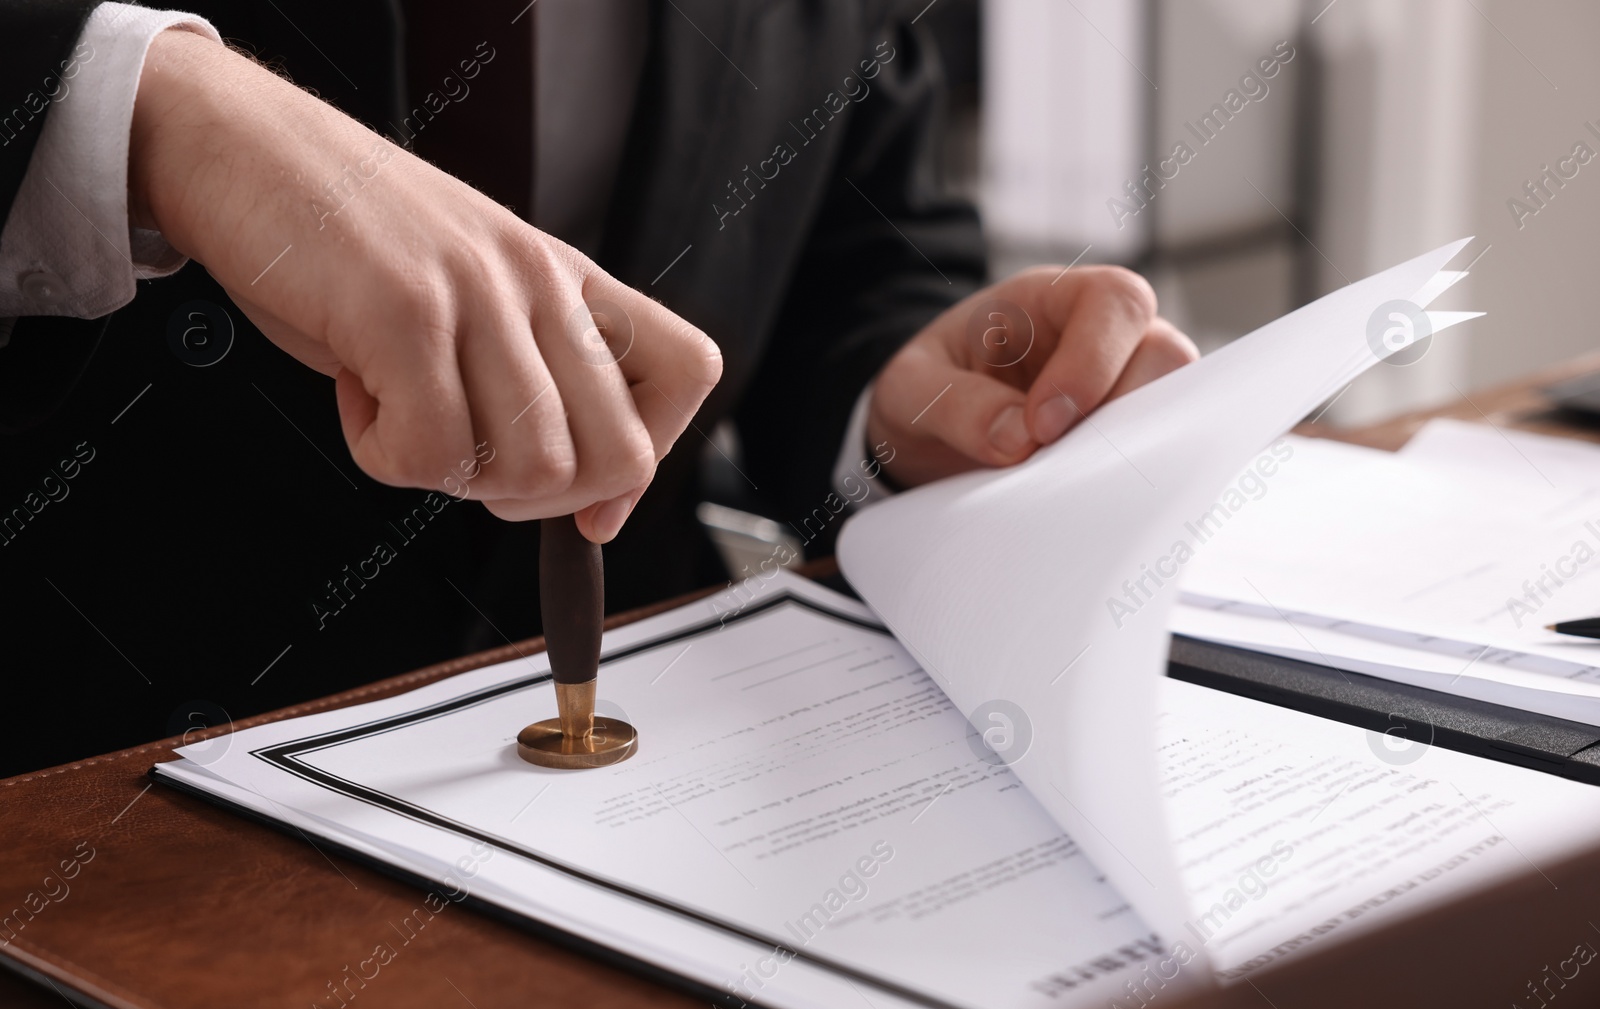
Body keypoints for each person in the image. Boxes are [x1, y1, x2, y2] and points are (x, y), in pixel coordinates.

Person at [0, 0, 1197, 775]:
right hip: (90, 777)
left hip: (688, 777)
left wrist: (903, 401)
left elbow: (842, 237)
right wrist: (149, 104)